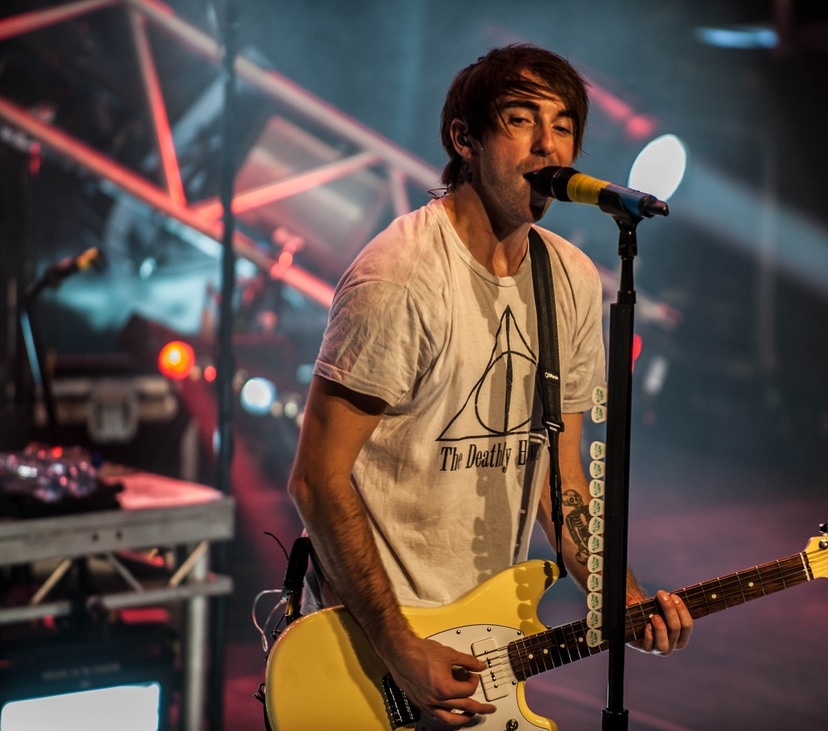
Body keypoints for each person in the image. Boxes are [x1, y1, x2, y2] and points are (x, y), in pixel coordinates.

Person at [286, 43, 692, 727]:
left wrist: (618, 595)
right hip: (375, 651)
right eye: (520, 119)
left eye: (563, 126)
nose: (547, 145)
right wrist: (399, 647)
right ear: (464, 139)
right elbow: (316, 479)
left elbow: (561, 482)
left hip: (487, 643)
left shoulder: (570, 279)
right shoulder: (401, 276)